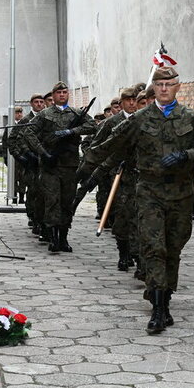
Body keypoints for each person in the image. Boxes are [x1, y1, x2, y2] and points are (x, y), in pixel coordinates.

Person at [86, 67, 194, 334]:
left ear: (178, 86)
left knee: (173, 247)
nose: (165, 88)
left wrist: (186, 155)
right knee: (153, 246)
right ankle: (158, 309)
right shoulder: (140, 118)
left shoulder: (190, 118)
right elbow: (112, 143)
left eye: (169, 84)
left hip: (180, 194)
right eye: (160, 84)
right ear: (153, 88)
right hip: (149, 192)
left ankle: (165, 297)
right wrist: (87, 166)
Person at [23, 82, 97, 253]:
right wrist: (42, 153)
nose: (62, 95)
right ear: (54, 95)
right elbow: (29, 132)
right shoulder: (44, 114)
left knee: (67, 202)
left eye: (65, 92)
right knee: (52, 201)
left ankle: (64, 237)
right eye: (59, 92)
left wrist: (71, 132)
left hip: (70, 165)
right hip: (51, 166)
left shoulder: (77, 113)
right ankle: (53, 238)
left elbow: (92, 126)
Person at [81, 86, 141, 272]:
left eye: (134, 100)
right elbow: (98, 148)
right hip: (119, 176)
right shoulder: (111, 123)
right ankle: (123, 254)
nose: (132, 103)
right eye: (128, 100)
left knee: (141, 219)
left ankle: (139, 256)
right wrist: (89, 172)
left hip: (142, 176)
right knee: (122, 216)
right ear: (121, 103)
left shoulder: (143, 120)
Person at [9, 94, 46, 237]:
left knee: (43, 192)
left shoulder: (46, 118)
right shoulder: (25, 120)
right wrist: (20, 156)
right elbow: (12, 140)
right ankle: (34, 218)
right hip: (30, 162)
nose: (39, 104)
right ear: (31, 104)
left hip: (44, 160)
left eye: (41, 102)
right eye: (36, 102)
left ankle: (42, 221)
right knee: (33, 191)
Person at [6, 106, 27, 203]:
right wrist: (6, 157)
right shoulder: (9, 126)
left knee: (23, 177)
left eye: (20, 113)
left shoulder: (25, 125)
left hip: (23, 155)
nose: (19, 114)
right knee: (13, 177)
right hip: (13, 156)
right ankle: (14, 196)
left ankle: (22, 196)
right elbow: (5, 142)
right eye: (17, 113)